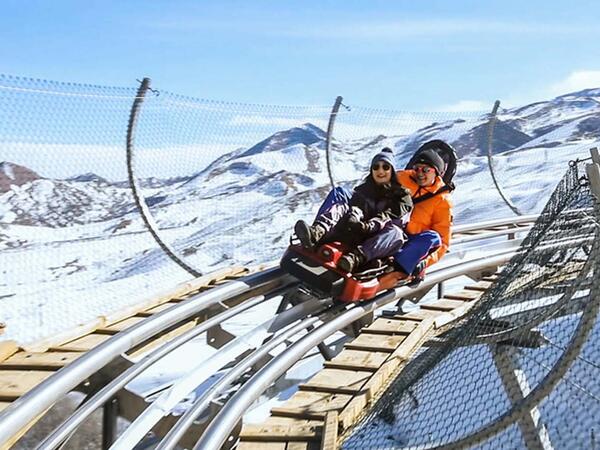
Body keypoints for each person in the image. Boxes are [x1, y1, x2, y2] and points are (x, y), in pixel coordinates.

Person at [294, 148, 413, 273]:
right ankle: (317, 232)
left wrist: (370, 226)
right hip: (356, 232)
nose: (380, 171)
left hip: (377, 239)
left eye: (386, 167)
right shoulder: (364, 190)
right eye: (376, 167)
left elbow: (393, 218)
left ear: (392, 171)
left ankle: (355, 258)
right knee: (341, 205)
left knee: (396, 233)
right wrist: (354, 218)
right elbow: (357, 206)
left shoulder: (402, 197)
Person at [389, 145, 453, 284]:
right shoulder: (400, 178)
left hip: (411, 242)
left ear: (436, 172)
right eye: (417, 168)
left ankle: (401, 268)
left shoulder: (442, 200)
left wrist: (424, 263)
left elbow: (443, 242)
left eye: (426, 170)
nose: (420, 173)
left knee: (432, 238)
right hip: (389, 229)